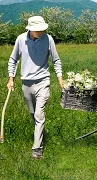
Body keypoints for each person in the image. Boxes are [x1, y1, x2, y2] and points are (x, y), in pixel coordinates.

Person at [7, 16, 64, 159]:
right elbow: (13, 59)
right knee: (33, 115)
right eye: (37, 30)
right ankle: (41, 135)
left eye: (42, 29)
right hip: (26, 83)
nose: (40, 32)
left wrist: (60, 79)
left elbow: (55, 60)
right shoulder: (21, 39)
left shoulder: (48, 39)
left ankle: (37, 149)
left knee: (39, 114)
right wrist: (10, 79)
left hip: (43, 82)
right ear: (30, 29)